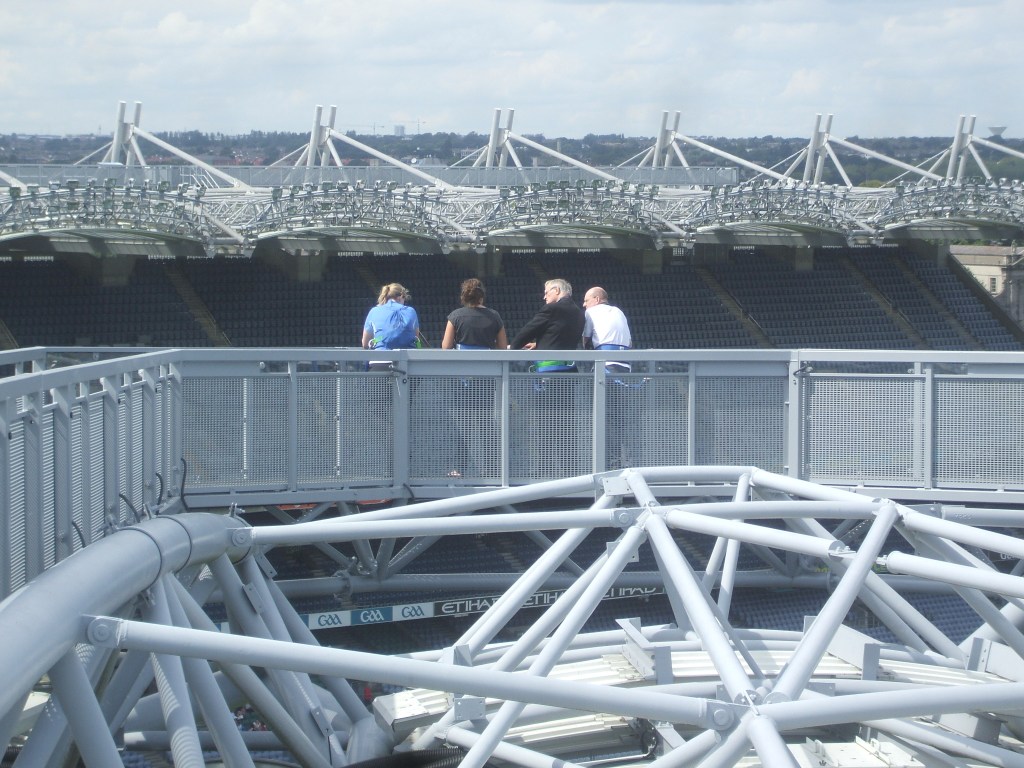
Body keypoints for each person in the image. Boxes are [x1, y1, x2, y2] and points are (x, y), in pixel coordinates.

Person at [510, 278, 585, 372]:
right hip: (570, 370)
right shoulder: (579, 313)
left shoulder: (551, 308)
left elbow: (529, 331)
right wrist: (538, 344)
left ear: (556, 290)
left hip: (549, 370)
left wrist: (513, 346)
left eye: (546, 292)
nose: (544, 297)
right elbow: (559, 335)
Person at [361, 283, 419, 370]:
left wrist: (378, 339)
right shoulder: (411, 311)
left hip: (379, 362)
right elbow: (415, 337)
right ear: (400, 296)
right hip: (408, 363)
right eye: (404, 298)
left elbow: (365, 344)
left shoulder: (374, 311)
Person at [441, 278, 508, 350]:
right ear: (481, 296)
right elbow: (503, 347)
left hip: (463, 360)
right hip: (487, 360)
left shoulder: (455, 316)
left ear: (464, 297)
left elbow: (446, 346)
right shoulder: (495, 316)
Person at [581, 286, 632, 372]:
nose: (584, 304)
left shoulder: (590, 311)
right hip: (626, 364)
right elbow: (630, 343)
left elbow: (585, 341)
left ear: (597, 299)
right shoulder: (619, 311)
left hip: (605, 364)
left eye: (586, 301)